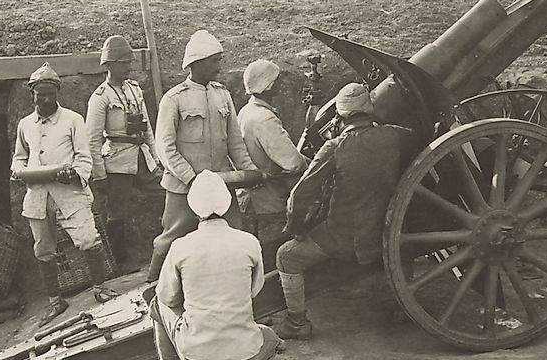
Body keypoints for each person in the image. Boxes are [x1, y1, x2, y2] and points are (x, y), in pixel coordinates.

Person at [275, 83, 411, 340]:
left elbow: (300, 195)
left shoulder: (335, 147)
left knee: (286, 257)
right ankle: (403, 305)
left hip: (345, 237)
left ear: (340, 115)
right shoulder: (394, 137)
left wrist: (296, 229)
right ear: (370, 110)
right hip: (387, 231)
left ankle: (297, 323)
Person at [150, 170, 284, 360]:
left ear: (193, 207)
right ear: (227, 202)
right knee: (272, 339)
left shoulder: (181, 246)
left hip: (193, 353)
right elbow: (255, 289)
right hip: (245, 351)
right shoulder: (249, 242)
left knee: (156, 303)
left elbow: (168, 297)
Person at [12, 62, 117, 327]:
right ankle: (54, 301)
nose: (47, 99)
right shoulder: (25, 125)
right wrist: (21, 172)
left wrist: (75, 174)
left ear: (58, 94)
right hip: (38, 196)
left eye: (51, 94)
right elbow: (19, 158)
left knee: (88, 239)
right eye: (41, 94)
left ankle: (100, 287)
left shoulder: (72, 120)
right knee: (43, 249)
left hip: (70, 192)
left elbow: (84, 157)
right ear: (32, 94)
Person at [148, 30, 257, 282]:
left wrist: (249, 173)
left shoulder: (223, 95)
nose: (218, 67)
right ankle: (154, 286)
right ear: (196, 63)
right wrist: (192, 179)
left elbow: (235, 142)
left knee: (234, 234)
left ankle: (233, 286)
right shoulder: (174, 99)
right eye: (213, 61)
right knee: (172, 237)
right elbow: (165, 148)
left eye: (219, 60)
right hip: (184, 187)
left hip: (221, 184)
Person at [86, 35, 160, 266]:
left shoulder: (135, 90)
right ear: (109, 65)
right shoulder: (101, 97)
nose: (129, 66)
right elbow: (92, 140)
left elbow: (147, 128)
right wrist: (99, 175)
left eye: (129, 62)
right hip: (117, 160)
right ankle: (120, 263)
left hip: (142, 157)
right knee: (116, 213)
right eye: (123, 63)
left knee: (166, 192)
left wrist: (156, 159)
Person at [236, 60, 307, 254]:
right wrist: (311, 163)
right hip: (268, 200)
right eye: (277, 80)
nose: (281, 83)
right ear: (268, 85)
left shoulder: (245, 112)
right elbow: (293, 163)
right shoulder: (264, 119)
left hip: (249, 197)